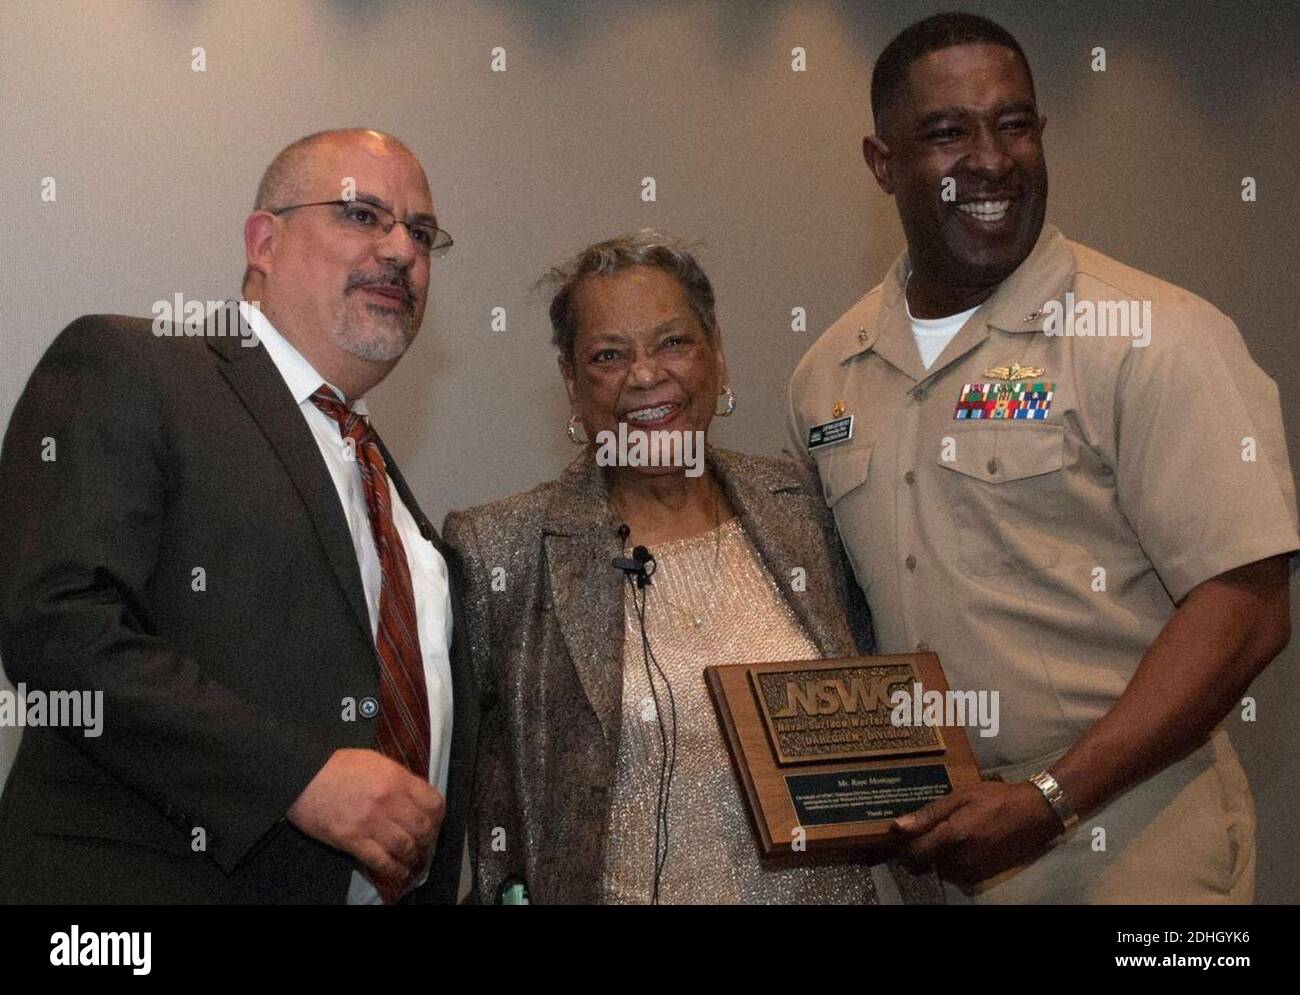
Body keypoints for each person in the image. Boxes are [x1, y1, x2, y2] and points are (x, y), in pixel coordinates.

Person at [787, 12, 1298, 904]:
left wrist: (1051, 798)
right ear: (881, 164)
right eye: (948, 132)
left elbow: (1247, 609)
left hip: (1135, 836)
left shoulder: (1152, 335)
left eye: (1013, 124)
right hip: (940, 847)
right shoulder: (828, 372)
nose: (989, 158)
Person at [0, 128, 476, 904]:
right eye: (363, 216)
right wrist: (300, 777)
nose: (401, 250)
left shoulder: (382, 478)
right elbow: (58, 625)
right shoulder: (133, 366)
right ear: (265, 240)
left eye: (421, 233)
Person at [444, 230, 940, 905]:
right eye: (609, 354)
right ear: (571, 380)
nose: (646, 375)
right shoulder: (502, 549)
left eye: (673, 342)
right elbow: (483, 800)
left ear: (717, 354)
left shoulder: (802, 507)